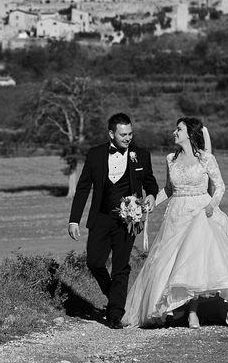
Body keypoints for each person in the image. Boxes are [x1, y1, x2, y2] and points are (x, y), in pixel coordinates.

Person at [122, 117, 228, 330]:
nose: (174, 133)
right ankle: (172, 307)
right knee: (169, 262)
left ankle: (192, 311)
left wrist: (212, 205)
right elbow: (168, 189)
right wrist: (150, 204)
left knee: (194, 262)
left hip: (200, 212)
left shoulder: (206, 159)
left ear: (190, 134)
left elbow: (220, 186)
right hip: (176, 214)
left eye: (179, 129)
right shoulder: (170, 159)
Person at [68, 112, 159, 329]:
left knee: (121, 266)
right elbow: (82, 188)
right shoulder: (95, 154)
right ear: (111, 133)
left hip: (128, 220)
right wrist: (74, 220)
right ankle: (114, 296)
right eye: (123, 134)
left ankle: (115, 314)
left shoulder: (141, 155)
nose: (128, 138)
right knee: (94, 262)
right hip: (100, 217)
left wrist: (152, 195)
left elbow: (150, 182)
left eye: (130, 133)